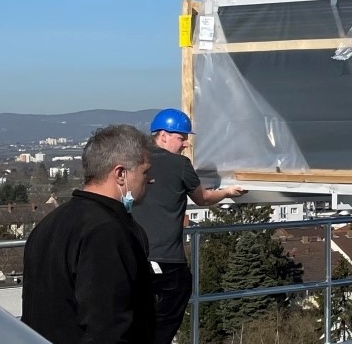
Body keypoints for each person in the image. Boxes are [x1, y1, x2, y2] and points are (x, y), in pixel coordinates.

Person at [23, 124, 158, 344]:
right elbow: (107, 325)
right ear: (121, 174)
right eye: (145, 171)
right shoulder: (106, 232)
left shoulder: (50, 223)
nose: (150, 180)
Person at [132, 108, 248, 344]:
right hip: (167, 258)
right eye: (181, 137)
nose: (185, 144)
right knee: (174, 299)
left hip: (133, 255)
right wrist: (226, 192)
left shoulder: (134, 161)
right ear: (163, 135)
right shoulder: (180, 165)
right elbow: (203, 198)